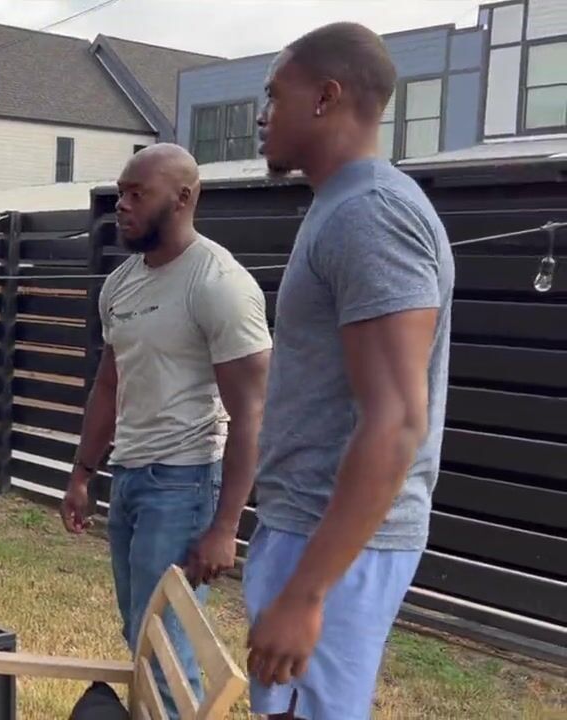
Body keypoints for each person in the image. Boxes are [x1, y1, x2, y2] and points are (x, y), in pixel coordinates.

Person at [247, 22, 455, 720]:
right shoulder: (340, 205)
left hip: (332, 543)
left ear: (325, 97)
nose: (262, 116)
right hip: (308, 528)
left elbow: (396, 422)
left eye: (274, 95)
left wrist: (308, 593)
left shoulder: (370, 215)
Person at [60, 143, 273, 718]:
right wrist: (82, 474)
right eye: (120, 193)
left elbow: (252, 413)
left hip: (184, 483)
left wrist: (225, 526)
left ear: (182, 198)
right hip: (130, 477)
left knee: (165, 651)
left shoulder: (219, 284)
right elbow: (110, 384)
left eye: (137, 194)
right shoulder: (120, 284)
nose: (122, 206)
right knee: (139, 633)